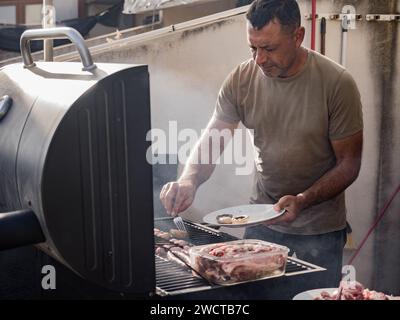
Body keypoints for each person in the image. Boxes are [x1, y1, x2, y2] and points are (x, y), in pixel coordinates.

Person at [160, 0, 363, 290]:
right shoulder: (242, 79)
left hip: (319, 231)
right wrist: (189, 181)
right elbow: (213, 139)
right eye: (253, 48)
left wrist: (303, 200)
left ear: (298, 36)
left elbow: (349, 164)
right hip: (261, 224)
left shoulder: (336, 83)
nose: (259, 60)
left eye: (269, 48)